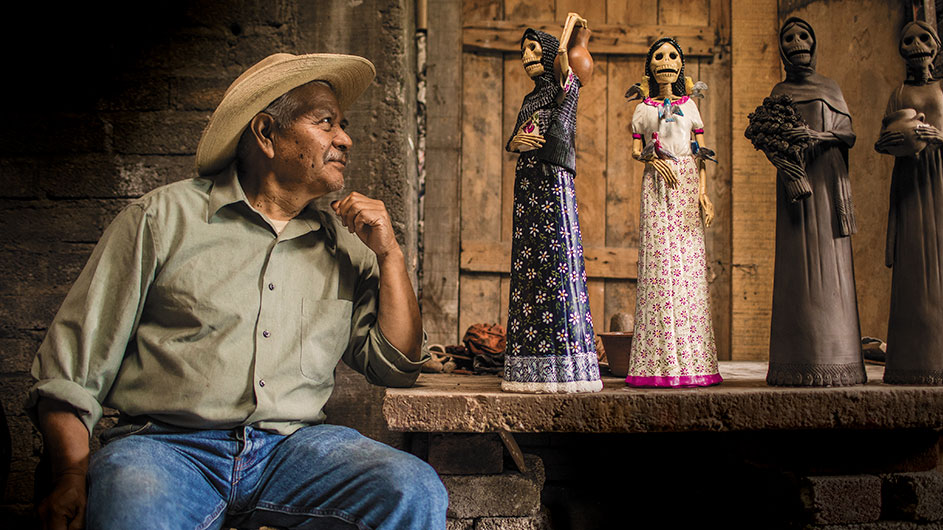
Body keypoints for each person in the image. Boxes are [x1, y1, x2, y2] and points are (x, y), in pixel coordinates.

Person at [27, 52, 448, 529]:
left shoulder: (344, 246)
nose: (345, 139)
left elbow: (394, 365)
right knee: (132, 508)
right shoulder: (161, 219)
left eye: (342, 125)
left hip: (293, 449)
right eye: (326, 123)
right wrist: (69, 474)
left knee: (412, 489)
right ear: (266, 133)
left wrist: (390, 255)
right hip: (166, 447)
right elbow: (70, 373)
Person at [875, 21, 943, 385]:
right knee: (913, 263)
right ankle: (912, 358)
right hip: (911, 181)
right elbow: (884, 136)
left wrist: (940, 136)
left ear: (935, 47)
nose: (916, 46)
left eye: (923, 39)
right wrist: (890, 143)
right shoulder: (899, 92)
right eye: (908, 40)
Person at [502, 13, 603, 393]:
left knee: (557, 261)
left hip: (552, 179)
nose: (526, 55)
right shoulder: (531, 98)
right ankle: (528, 363)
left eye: (533, 48)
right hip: (527, 182)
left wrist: (571, 26)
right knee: (530, 263)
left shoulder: (565, 85)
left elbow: (565, 56)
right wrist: (517, 143)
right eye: (523, 49)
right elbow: (515, 137)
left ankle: (565, 362)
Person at [765, 18, 867, 387]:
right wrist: (787, 154)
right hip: (796, 186)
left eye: (803, 35)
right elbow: (770, 137)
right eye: (788, 37)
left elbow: (848, 135)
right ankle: (795, 361)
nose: (796, 42)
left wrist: (815, 135)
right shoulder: (779, 91)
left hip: (826, 183)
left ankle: (839, 360)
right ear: (781, 49)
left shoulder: (831, 88)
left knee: (831, 263)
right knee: (796, 269)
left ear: (814, 42)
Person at [625, 37, 721, 388]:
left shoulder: (691, 107)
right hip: (656, 183)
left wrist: (704, 193)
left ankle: (694, 359)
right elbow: (635, 150)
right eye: (659, 55)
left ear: (681, 65)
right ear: (650, 65)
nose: (666, 61)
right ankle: (657, 361)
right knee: (658, 266)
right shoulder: (644, 110)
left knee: (689, 269)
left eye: (673, 55)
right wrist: (651, 157)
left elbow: (699, 151)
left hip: (686, 184)